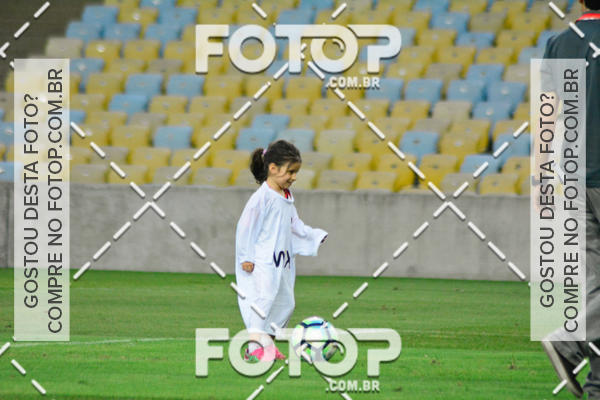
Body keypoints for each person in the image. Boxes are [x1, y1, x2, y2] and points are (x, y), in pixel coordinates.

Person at [540, 0, 600, 398]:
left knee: (595, 285)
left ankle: (597, 385)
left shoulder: (560, 43)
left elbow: (547, 114)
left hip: (575, 176)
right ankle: (569, 340)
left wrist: (543, 176)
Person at [235, 140, 328, 362]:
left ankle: (268, 344)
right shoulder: (262, 198)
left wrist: (313, 236)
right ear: (273, 168)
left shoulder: (286, 197)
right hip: (263, 260)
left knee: (286, 303)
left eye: (296, 172)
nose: (294, 177)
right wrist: (246, 256)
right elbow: (245, 227)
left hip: (282, 260)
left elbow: (295, 225)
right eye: (290, 172)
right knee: (264, 300)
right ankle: (253, 347)